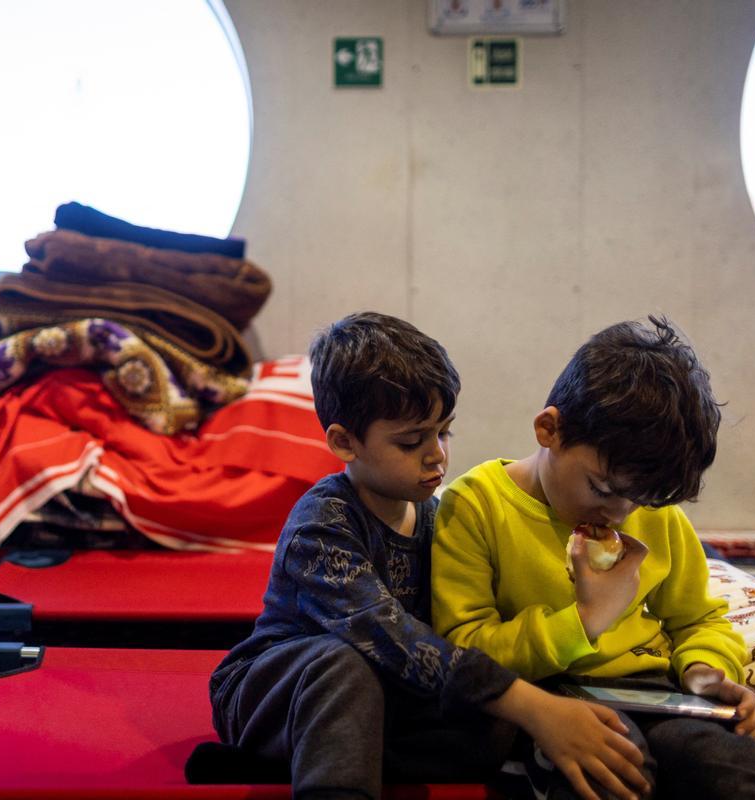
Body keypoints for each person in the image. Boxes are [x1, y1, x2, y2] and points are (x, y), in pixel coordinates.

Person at [205, 311, 650, 800]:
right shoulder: (323, 524)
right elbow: (391, 638)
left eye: (444, 432)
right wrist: (531, 706)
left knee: (489, 717)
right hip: (282, 691)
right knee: (344, 666)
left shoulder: (442, 516)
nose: (436, 454)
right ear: (344, 442)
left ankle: (368, 758)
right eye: (412, 441)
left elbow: (462, 638)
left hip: (386, 698)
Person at [431, 316, 755, 799]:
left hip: (654, 690)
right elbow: (462, 649)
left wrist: (705, 674)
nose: (620, 514)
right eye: (602, 489)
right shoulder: (476, 505)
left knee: (737, 770)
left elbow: (699, 619)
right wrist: (584, 620)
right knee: (616, 766)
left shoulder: (652, 513)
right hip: (543, 694)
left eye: (639, 499)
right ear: (549, 430)